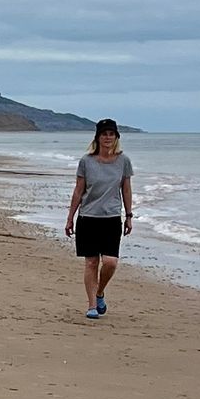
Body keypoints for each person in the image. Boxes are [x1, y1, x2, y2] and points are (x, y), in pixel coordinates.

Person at [65, 118, 133, 319]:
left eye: (111, 134)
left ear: (116, 137)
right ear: (98, 137)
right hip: (88, 218)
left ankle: (100, 291)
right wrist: (70, 218)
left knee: (110, 262)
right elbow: (79, 191)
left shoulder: (123, 161)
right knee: (91, 263)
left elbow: (126, 189)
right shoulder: (86, 161)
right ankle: (92, 306)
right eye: (104, 134)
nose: (108, 138)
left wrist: (129, 216)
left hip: (111, 218)